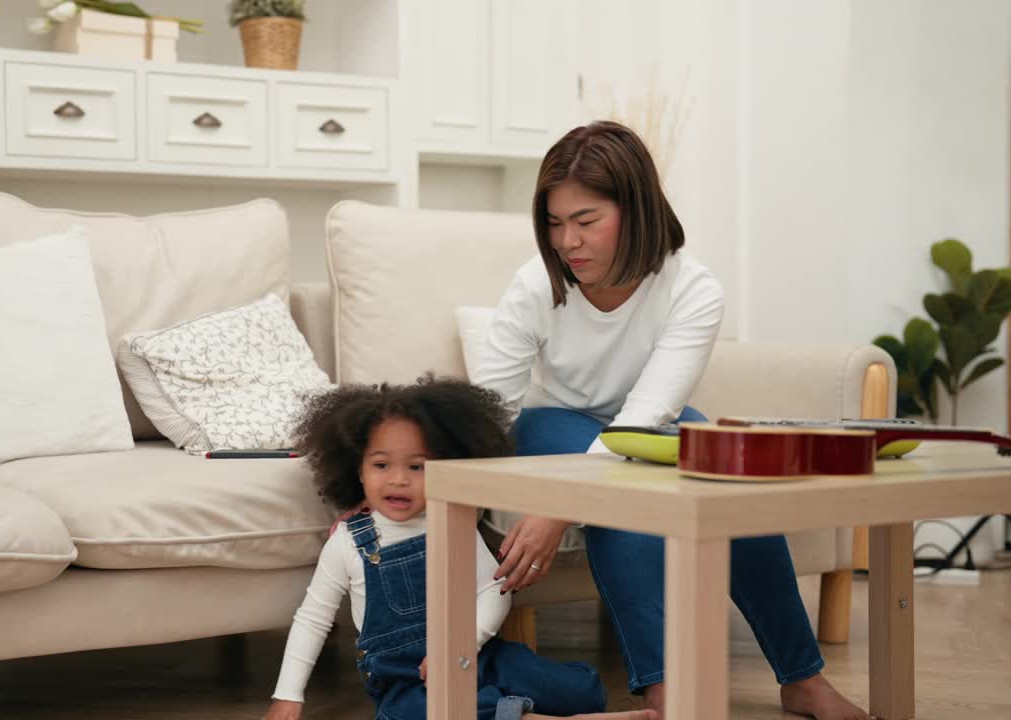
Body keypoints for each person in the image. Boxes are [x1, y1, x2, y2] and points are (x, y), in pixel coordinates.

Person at [471, 121, 868, 720]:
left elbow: (646, 417)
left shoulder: (693, 288)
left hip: (647, 422)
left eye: (586, 221)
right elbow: (484, 412)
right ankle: (662, 688)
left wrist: (556, 510)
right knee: (622, 497)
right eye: (554, 223)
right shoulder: (535, 285)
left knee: (733, 483)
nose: (567, 242)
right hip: (554, 419)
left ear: (635, 210)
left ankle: (802, 678)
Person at [263, 376, 654, 720]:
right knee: (417, 712)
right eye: (382, 465)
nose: (398, 480)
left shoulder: (453, 523)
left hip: (479, 653)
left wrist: (463, 646)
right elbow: (313, 618)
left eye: (417, 467)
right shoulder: (349, 541)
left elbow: (493, 590)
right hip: (408, 679)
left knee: (576, 690)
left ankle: (517, 705)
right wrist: (288, 695)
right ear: (357, 469)